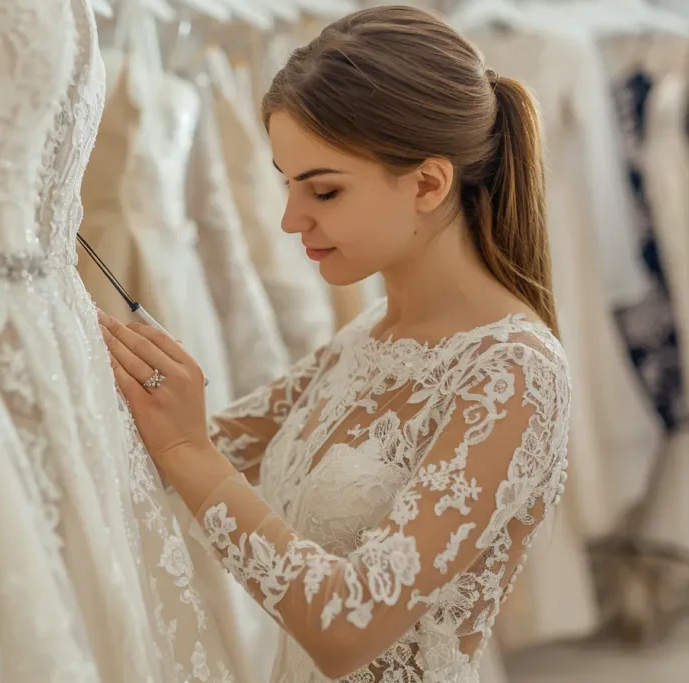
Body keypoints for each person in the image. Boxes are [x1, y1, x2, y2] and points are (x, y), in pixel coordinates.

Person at [98, 5, 571, 683]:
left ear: (429, 183)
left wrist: (186, 448)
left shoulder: (513, 373)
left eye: (323, 189)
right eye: (286, 185)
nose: (291, 219)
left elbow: (349, 623)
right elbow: (193, 443)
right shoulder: (368, 333)